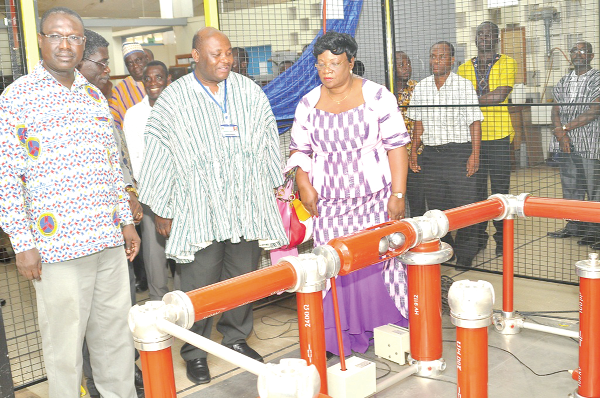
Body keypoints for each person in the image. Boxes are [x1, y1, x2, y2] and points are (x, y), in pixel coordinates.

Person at [0, 7, 140, 398]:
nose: (65, 44)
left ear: (83, 44)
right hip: (56, 250)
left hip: (108, 242)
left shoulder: (94, 95)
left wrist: (126, 222)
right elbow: (6, 178)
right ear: (41, 40)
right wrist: (22, 242)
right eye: (57, 36)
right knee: (64, 349)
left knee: (114, 338)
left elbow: (111, 164)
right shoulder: (16, 99)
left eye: (74, 37)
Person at [138, 27, 287, 385]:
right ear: (195, 56)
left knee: (243, 278)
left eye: (228, 53)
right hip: (198, 209)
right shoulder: (173, 99)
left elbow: (268, 138)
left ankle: (236, 338)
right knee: (199, 284)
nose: (225, 60)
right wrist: (163, 209)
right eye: (216, 54)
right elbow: (157, 153)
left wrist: (272, 185)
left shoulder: (249, 91)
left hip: (244, 203)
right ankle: (195, 351)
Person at [288, 31, 410, 356]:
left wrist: (398, 193)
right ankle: (338, 334)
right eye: (321, 64)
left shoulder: (377, 96)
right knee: (334, 265)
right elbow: (301, 151)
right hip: (329, 205)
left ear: (351, 62)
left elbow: (397, 146)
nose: (327, 70)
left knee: (379, 262)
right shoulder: (308, 104)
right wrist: (304, 184)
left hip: (374, 201)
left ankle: (387, 327)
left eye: (335, 63)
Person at [76, 28, 145, 398]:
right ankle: (94, 382)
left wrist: (129, 194)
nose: (108, 71)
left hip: (116, 228)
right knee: (84, 319)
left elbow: (119, 161)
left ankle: (124, 370)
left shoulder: (100, 102)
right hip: (76, 237)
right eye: (101, 64)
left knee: (120, 311)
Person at [407, 41, 484, 267]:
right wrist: (413, 152)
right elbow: (418, 123)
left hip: (458, 153)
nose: (436, 61)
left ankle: (467, 251)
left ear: (452, 60)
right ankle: (447, 246)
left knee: (465, 205)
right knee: (437, 207)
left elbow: (474, 122)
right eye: (433, 56)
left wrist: (475, 155)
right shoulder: (421, 87)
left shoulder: (463, 86)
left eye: (441, 57)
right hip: (431, 155)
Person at [457, 21, 516, 257]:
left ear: (497, 38)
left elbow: (500, 94)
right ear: (475, 39)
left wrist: (470, 100)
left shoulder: (508, 62)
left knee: (501, 191)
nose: (484, 37)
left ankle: (502, 240)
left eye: (489, 34)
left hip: (500, 136)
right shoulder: (463, 68)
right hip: (473, 138)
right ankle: (477, 238)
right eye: (480, 34)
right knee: (476, 192)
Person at [123, 61, 171, 301]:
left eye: (158, 78)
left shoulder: (179, 109)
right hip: (150, 194)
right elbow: (131, 157)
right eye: (148, 79)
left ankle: (186, 301)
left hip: (179, 193)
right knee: (154, 255)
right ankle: (158, 301)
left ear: (168, 79)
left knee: (183, 252)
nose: (153, 83)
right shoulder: (133, 115)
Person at [548, 41, 600, 248]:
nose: (577, 54)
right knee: (570, 185)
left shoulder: (597, 78)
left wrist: (565, 129)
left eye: (582, 51)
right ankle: (574, 226)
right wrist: (561, 135)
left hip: (590, 141)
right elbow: (555, 109)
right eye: (573, 51)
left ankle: (595, 230)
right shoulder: (563, 81)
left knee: (593, 186)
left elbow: (595, 109)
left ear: (591, 56)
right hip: (566, 142)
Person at [395, 51, 425, 217]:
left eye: (408, 64)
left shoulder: (417, 88)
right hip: (392, 156)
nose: (407, 68)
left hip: (416, 153)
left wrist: (414, 150)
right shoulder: (385, 91)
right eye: (401, 65)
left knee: (417, 199)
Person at [109, 42, 148, 129]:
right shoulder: (119, 91)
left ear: (146, 59)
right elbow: (113, 121)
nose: (135, 66)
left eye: (138, 60)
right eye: (130, 64)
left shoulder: (161, 82)